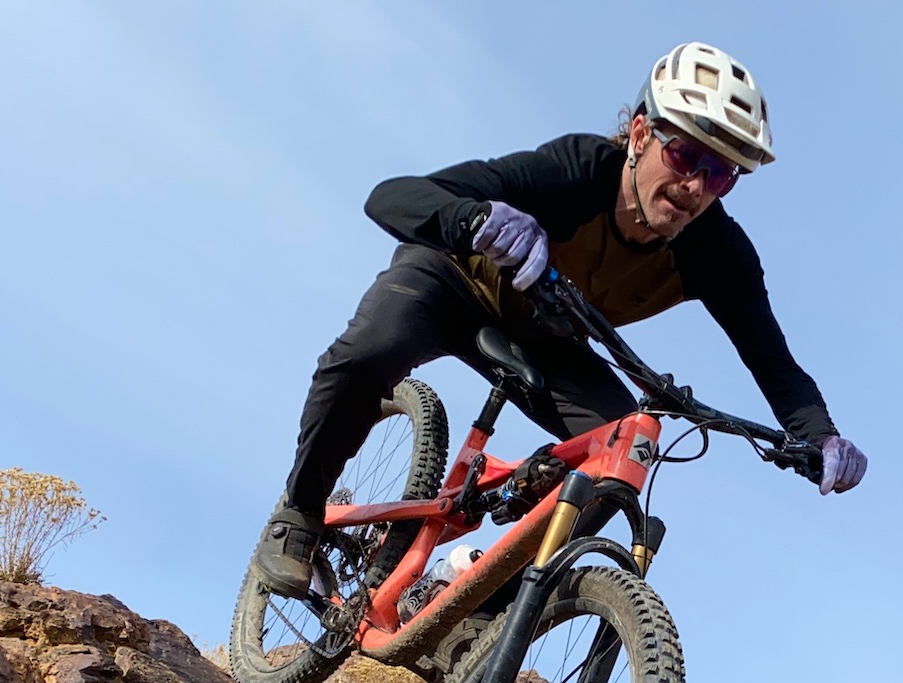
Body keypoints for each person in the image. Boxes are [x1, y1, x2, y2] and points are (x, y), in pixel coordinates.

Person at [255, 41, 867, 595]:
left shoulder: (719, 255)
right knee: (367, 355)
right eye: (685, 155)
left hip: (550, 332)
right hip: (454, 281)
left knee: (621, 455)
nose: (695, 187)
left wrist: (819, 437)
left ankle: (473, 595)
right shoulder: (576, 170)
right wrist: (474, 222)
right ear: (639, 133)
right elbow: (392, 194)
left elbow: (776, 366)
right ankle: (299, 513)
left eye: (722, 174)